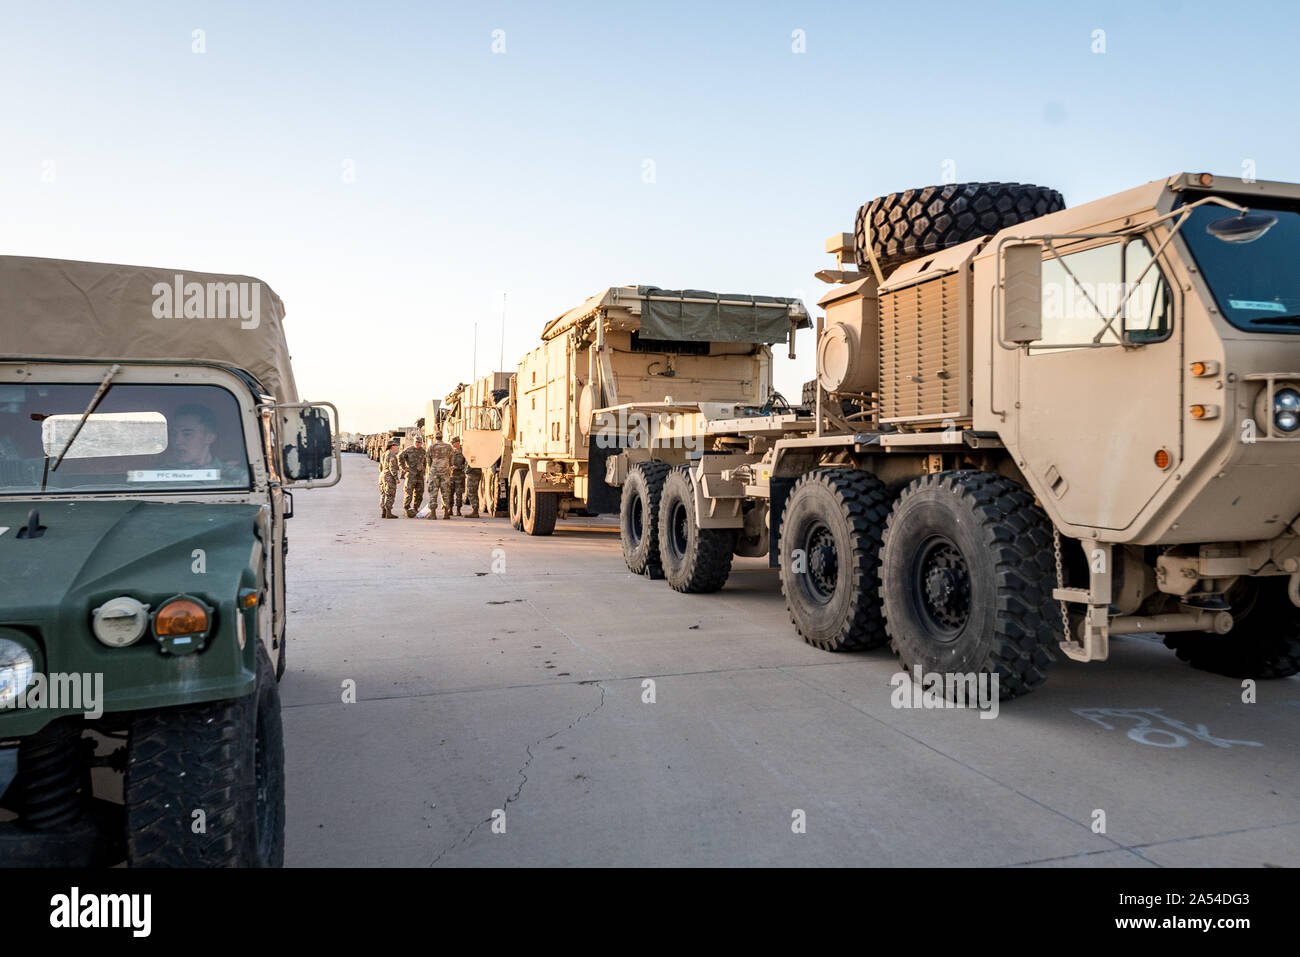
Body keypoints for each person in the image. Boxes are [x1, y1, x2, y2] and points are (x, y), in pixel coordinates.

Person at [398, 434, 427, 517]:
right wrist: (403, 468)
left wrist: (424, 467)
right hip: (411, 475)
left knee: (419, 493)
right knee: (408, 493)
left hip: (420, 476)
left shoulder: (423, 451)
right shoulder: (408, 450)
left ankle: (415, 508)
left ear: (421, 443)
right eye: (416, 442)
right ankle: (406, 509)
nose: (417, 443)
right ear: (414, 442)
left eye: (419, 442)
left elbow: (425, 461)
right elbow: (400, 457)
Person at [425, 432, 452, 519]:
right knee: (445, 492)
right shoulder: (448, 447)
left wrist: (431, 467)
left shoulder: (431, 447)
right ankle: (446, 513)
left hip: (434, 472)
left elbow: (428, 460)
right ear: (442, 437)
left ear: (435, 438)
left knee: (433, 492)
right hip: (445, 472)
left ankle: (433, 513)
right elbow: (452, 459)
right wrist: (448, 466)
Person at [443, 436, 467, 518]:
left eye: (454, 442)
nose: (452, 444)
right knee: (450, 494)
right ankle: (450, 510)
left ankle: (458, 510)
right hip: (451, 476)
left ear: (458, 442)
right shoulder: (450, 451)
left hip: (459, 476)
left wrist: (458, 467)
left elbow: (467, 464)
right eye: (452, 443)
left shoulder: (464, 451)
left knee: (459, 494)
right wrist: (449, 467)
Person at [378, 438, 401, 519]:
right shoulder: (391, 454)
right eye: (395, 446)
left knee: (383, 493)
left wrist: (383, 474)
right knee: (390, 494)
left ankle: (383, 512)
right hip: (389, 476)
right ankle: (389, 513)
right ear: (392, 446)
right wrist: (396, 478)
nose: (396, 447)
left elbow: (380, 466)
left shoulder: (384, 454)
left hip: (382, 475)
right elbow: (392, 467)